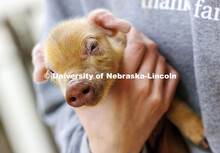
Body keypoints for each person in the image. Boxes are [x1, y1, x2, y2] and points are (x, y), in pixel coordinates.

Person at [32, 0, 220, 153]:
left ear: (107, 25)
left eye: (92, 48)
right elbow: (60, 111)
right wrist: (110, 144)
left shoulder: (124, 46)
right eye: (54, 72)